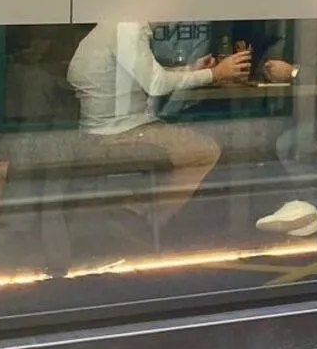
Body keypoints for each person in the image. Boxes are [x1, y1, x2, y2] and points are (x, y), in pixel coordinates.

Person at [66, 21, 250, 229]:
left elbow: (143, 73)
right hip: (119, 133)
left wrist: (191, 69)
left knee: (184, 146)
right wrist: (215, 74)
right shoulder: (127, 28)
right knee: (205, 150)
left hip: (98, 132)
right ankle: (147, 219)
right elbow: (156, 84)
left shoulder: (108, 28)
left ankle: (140, 213)